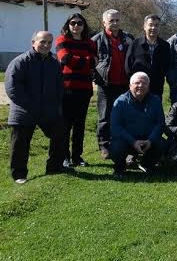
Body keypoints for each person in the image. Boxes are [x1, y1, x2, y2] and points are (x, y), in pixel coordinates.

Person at [6, 31, 68, 184]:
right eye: (42, 42)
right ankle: (19, 175)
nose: (46, 45)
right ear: (33, 42)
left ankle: (54, 167)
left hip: (47, 110)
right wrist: (30, 105)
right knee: (20, 144)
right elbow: (12, 88)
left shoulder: (54, 62)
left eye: (49, 42)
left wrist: (55, 103)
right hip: (24, 111)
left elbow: (60, 85)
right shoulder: (20, 62)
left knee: (60, 133)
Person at [55, 13, 97, 168]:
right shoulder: (62, 40)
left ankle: (77, 157)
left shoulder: (90, 43)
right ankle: (64, 157)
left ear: (84, 26)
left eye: (80, 23)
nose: (76, 26)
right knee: (65, 125)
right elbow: (65, 59)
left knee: (80, 126)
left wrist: (77, 61)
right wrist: (85, 61)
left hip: (84, 89)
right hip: (66, 90)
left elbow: (94, 62)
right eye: (73, 23)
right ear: (68, 25)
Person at [92, 9, 134, 159]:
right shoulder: (96, 40)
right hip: (106, 85)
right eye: (111, 21)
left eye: (117, 20)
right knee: (104, 116)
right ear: (104, 22)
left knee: (125, 116)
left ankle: (125, 144)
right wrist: (96, 78)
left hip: (125, 85)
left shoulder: (128, 39)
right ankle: (104, 146)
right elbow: (91, 62)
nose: (115, 23)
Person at [110, 72, 165, 178]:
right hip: (127, 140)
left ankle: (146, 165)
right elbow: (116, 127)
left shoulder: (156, 101)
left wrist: (150, 140)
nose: (140, 85)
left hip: (147, 140)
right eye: (137, 83)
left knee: (161, 144)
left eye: (144, 83)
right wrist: (133, 141)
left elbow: (160, 123)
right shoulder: (120, 102)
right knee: (116, 147)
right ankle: (119, 168)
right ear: (130, 86)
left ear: (148, 86)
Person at [125, 14, 171, 97]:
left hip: (156, 87)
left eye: (156, 25)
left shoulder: (165, 46)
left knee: (154, 109)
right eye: (150, 25)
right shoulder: (135, 44)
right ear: (144, 26)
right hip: (138, 87)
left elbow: (167, 66)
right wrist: (134, 82)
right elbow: (128, 66)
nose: (153, 28)